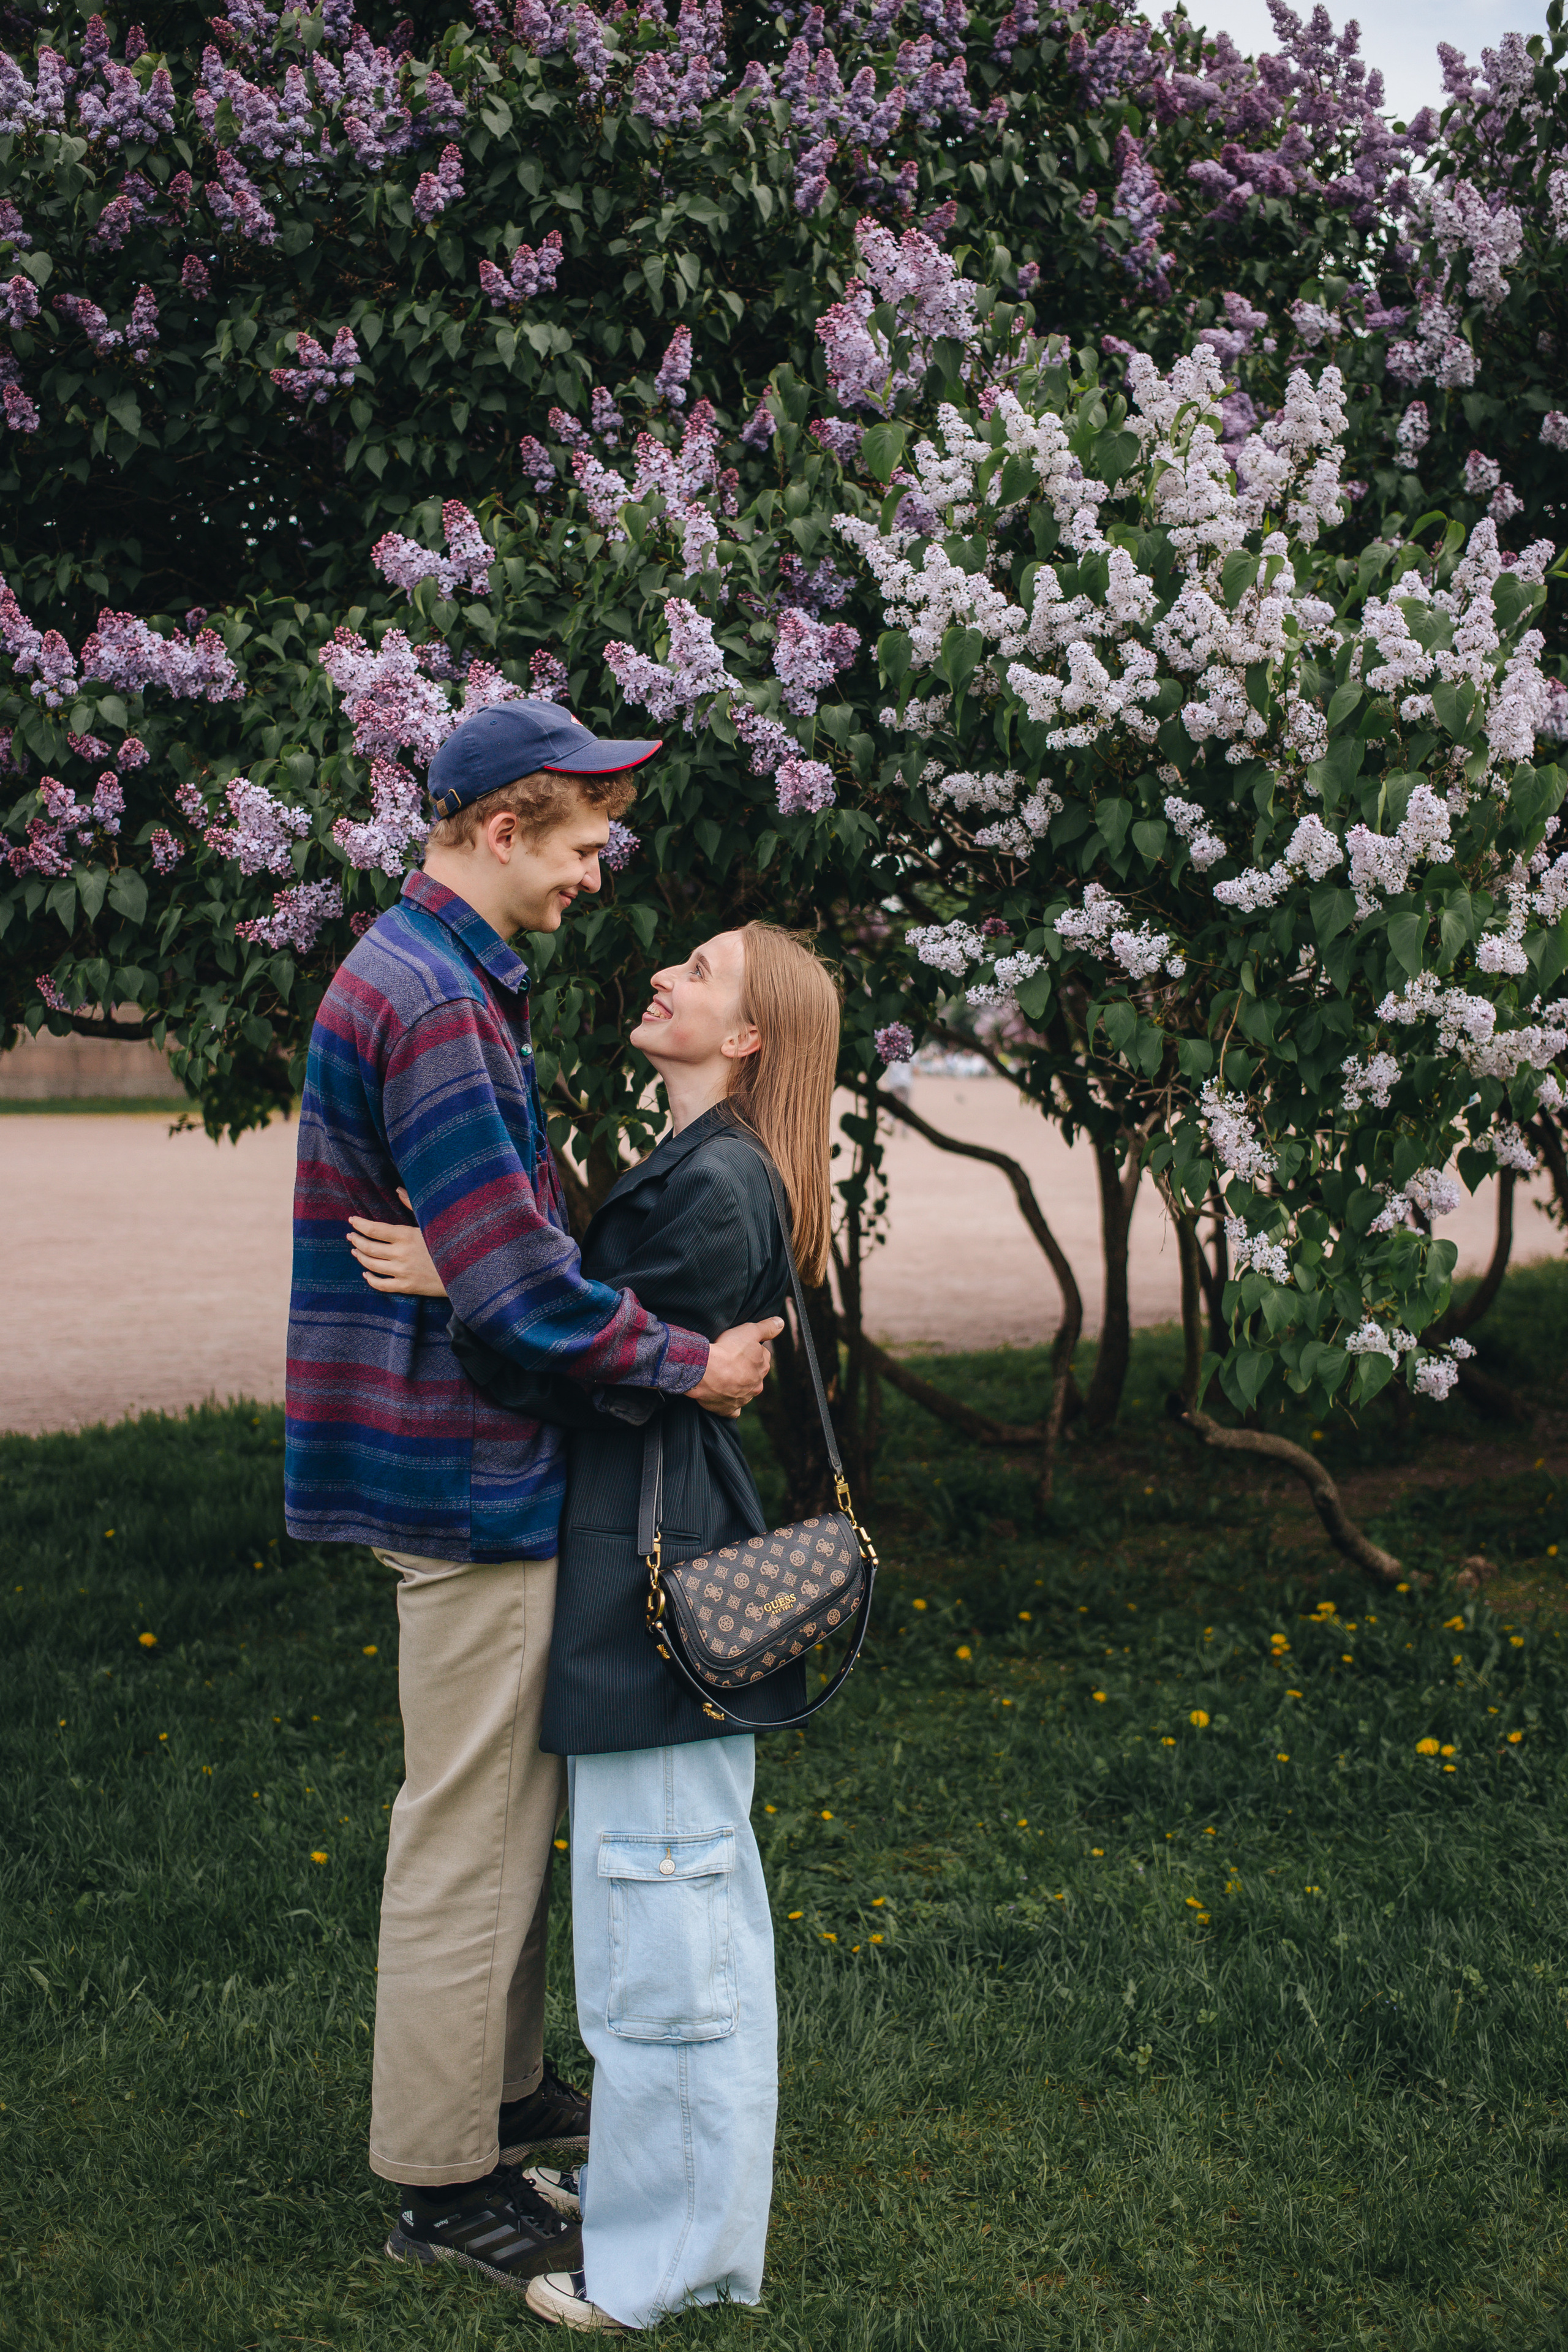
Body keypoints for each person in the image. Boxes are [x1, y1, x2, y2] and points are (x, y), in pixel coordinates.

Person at [285, 697, 783, 2291]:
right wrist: (693, 1367)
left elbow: (499, 1255)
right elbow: (527, 1299)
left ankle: (497, 2110)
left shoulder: (428, 974)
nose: (595, 877)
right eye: (578, 846)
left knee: (488, 1826)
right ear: (499, 829)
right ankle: (448, 2186)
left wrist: (484, 1263)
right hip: (467, 1465)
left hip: (451, 1451)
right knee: (473, 1846)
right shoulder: (435, 1002)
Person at [347, 918, 842, 2335]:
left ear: (746, 1039)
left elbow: (599, 1377)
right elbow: (618, 1332)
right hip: (639, 1563)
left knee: (665, 1929)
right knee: (653, 1919)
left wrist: (468, 1283)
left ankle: (660, 2263)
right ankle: (645, 2215)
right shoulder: (700, 1163)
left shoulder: (719, 1184)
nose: (664, 978)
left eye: (699, 974)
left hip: (659, 1578)